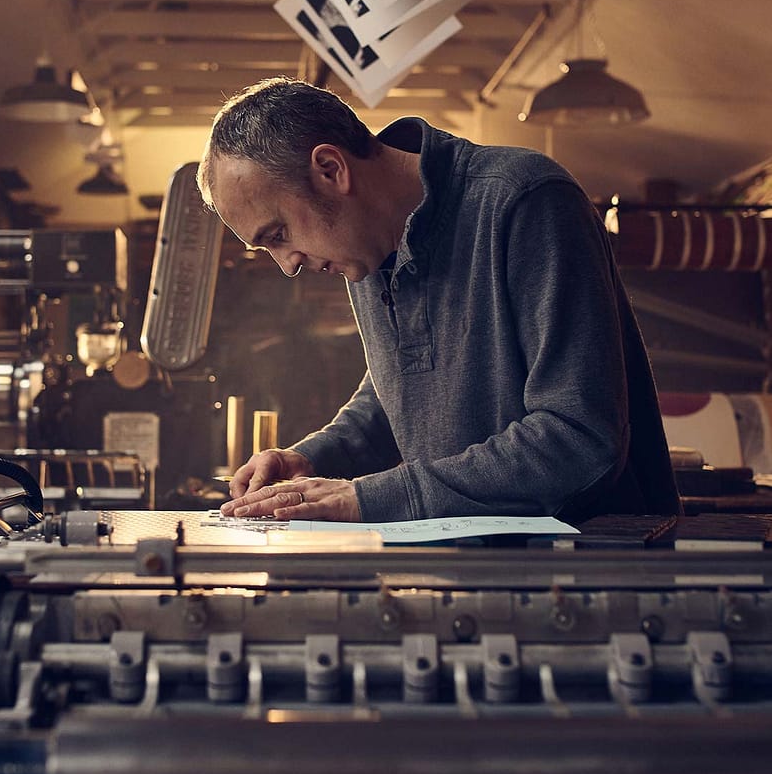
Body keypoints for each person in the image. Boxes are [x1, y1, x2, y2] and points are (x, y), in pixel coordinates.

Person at [196, 78, 680, 526]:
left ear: (330, 169)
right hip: (469, 565)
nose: (288, 265)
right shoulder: (363, 249)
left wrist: (370, 497)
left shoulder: (523, 201)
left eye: (278, 235)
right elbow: (397, 397)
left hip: (587, 571)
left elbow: (578, 439)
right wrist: (316, 457)